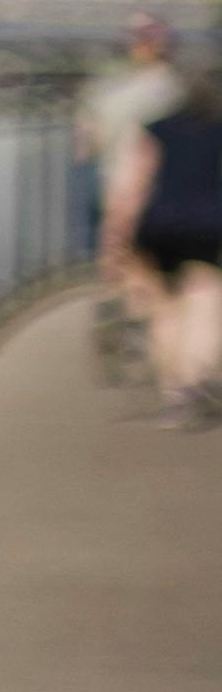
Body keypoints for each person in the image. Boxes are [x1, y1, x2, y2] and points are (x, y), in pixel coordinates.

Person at [107, 43, 222, 424]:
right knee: (205, 299)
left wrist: (115, 241)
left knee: (163, 309)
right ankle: (197, 377)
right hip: (210, 224)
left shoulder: (157, 128)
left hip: (158, 224)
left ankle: (174, 393)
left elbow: (130, 186)